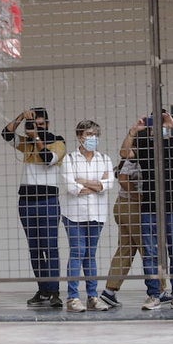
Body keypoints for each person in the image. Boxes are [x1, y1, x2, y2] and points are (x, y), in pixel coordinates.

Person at [122, 108, 173, 311]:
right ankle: (153, 295)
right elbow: (124, 153)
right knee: (150, 252)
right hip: (150, 207)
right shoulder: (145, 145)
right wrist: (133, 131)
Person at [1, 107, 67, 308]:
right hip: (26, 201)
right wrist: (21, 117)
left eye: (40, 124)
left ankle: (54, 291)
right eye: (34, 124)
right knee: (35, 248)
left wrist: (37, 138)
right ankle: (43, 290)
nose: (36, 128)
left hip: (47, 201)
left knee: (50, 247)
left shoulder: (58, 142)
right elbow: (6, 134)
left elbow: (48, 159)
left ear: (47, 123)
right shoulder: (27, 143)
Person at [59, 121, 113, 313]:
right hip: (74, 214)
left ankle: (92, 296)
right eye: (89, 134)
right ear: (79, 135)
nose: (92, 138)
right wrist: (96, 185)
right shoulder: (70, 159)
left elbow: (108, 185)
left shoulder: (104, 159)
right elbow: (72, 188)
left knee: (90, 254)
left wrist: (84, 182)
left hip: (97, 214)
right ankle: (72, 298)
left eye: (96, 134)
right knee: (77, 251)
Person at [97, 152, 144, 309]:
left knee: (125, 249)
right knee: (149, 248)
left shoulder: (131, 156)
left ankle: (109, 291)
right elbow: (123, 179)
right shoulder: (137, 155)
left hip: (123, 204)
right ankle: (160, 290)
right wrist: (140, 198)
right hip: (133, 207)